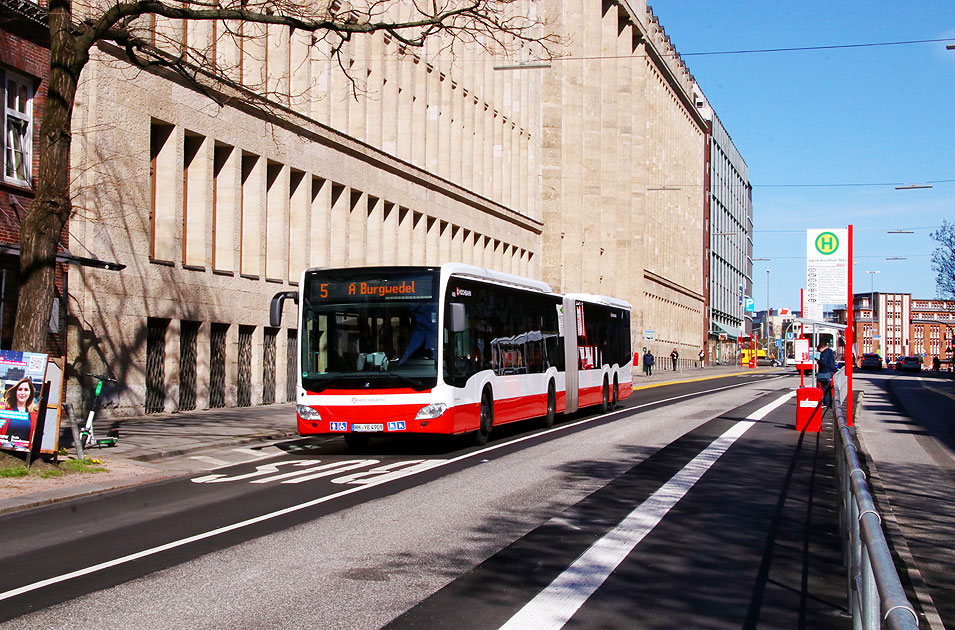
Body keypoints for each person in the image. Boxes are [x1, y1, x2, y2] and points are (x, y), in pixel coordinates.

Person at [1, 377, 39, 445]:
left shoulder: (35, 413)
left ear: (30, 393)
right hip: (5, 450)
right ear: (16, 391)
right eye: (20, 389)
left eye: (26, 390)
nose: (22, 393)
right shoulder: (5, 410)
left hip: (24, 452)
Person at [816, 342, 837, 407]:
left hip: (825, 372)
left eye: (819, 350)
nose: (820, 352)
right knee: (828, 388)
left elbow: (824, 363)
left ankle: (826, 402)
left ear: (821, 348)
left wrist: (818, 361)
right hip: (829, 371)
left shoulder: (825, 353)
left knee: (825, 388)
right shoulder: (830, 352)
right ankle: (828, 402)